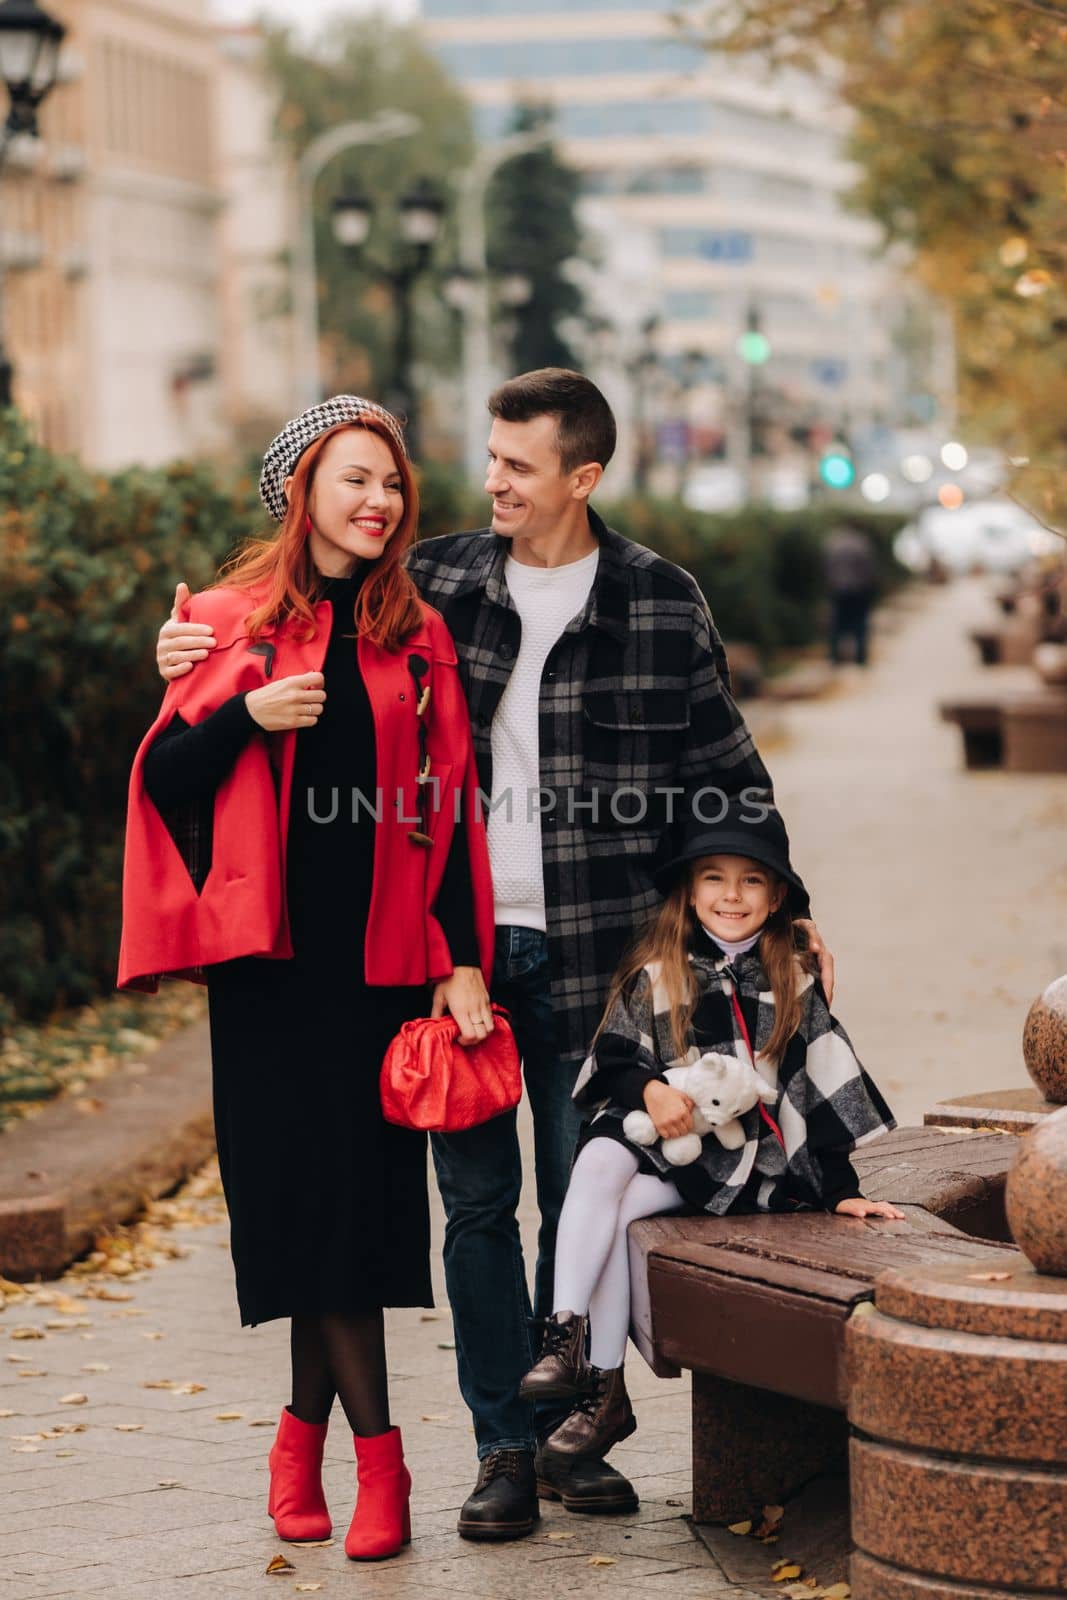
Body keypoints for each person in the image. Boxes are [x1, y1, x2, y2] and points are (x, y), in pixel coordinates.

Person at [154, 369, 836, 1537]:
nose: (492, 481)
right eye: (488, 458)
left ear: (582, 475)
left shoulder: (662, 603)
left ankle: (578, 1429)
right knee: (473, 1210)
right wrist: (188, 651)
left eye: (518, 465)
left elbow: (727, 777)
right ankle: (501, 1448)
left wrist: (786, 914)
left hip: (606, 960)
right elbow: (286, 607)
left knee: (584, 1196)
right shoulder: (436, 584)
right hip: (453, 951)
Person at [120, 396, 495, 1562]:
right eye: (354, 480)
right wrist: (246, 711)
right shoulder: (226, 622)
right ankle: (357, 1460)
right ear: (302, 494)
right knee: (304, 1216)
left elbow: (447, 811)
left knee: (361, 1221)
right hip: (269, 978)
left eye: (390, 483)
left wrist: (462, 958)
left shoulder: (412, 635)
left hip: (380, 972)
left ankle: (323, 1447)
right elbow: (164, 779)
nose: (378, 501)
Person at [520, 800, 900, 1458]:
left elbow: (818, 1091)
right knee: (603, 1171)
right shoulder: (656, 973)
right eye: (713, 878)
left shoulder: (791, 986)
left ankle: (600, 1385)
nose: (731, 895)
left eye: (750, 880)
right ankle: (570, 1345)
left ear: (777, 896)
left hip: (737, 1163)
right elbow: (612, 1061)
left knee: (618, 1211)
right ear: (690, 892)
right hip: (657, 1145)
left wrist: (840, 1188)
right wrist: (650, 1089)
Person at [824, 522, 879, 666]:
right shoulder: (861, 544)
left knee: (837, 624)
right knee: (860, 623)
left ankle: (834, 657)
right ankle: (860, 657)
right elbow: (868, 568)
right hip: (858, 589)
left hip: (838, 589)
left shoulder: (833, 543)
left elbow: (826, 567)